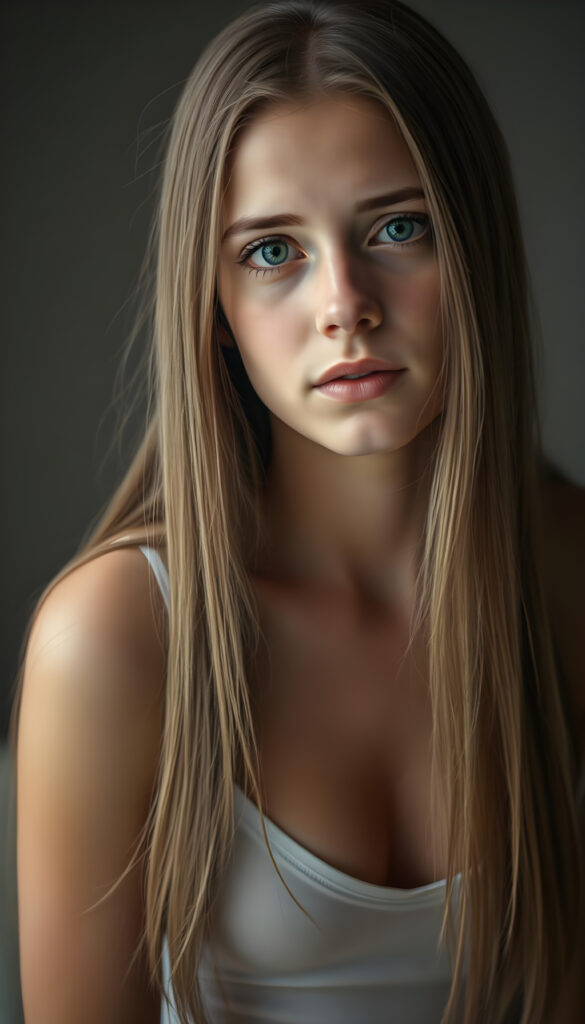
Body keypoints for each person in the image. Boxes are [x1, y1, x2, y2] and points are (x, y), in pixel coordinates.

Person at [10, 1, 585, 1022]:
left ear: (476, 249)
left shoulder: (569, 574)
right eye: (273, 252)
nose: (344, 304)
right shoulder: (116, 637)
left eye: (399, 228)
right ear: (215, 309)